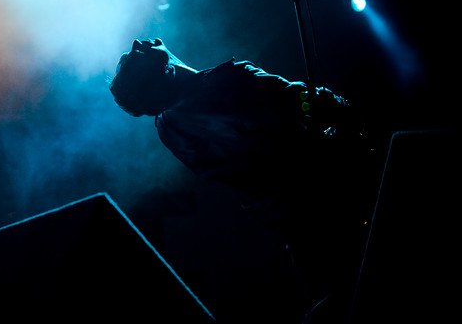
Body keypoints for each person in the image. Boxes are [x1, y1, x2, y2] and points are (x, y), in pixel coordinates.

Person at [109, 38, 380, 323]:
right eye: (135, 55)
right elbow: (301, 103)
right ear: (163, 73)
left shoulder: (168, 128)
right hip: (337, 198)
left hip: (294, 227)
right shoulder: (227, 80)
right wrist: (322, 103)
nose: (138, 41)